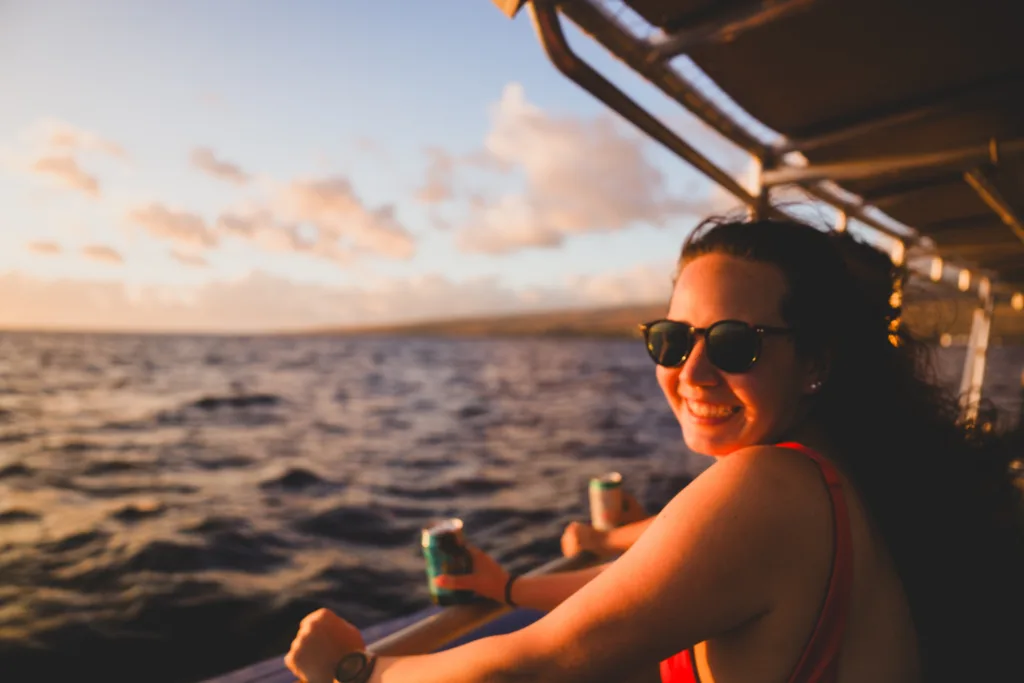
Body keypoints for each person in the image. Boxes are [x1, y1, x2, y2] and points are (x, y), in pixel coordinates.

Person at [285, 216, 1024, 683]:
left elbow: (532, 668)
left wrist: (356, 668)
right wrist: (508, 588)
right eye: (671, 340)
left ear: (816, 362)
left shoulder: (772, 485)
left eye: (734, 343)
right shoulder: (840, 470)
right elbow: (651, 579)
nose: (690, 372)